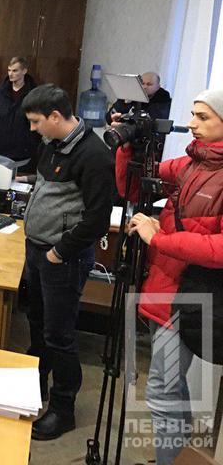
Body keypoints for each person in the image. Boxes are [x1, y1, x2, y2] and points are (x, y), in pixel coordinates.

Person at [119, 89, 223, 465]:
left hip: (190, 298)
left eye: (203, 117)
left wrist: (159, 238)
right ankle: (175, 458)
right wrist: (129, 145)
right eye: (192, 114)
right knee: (170, 390)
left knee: (163, 392)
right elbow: (134, 185)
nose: (191, 123)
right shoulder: (191, 163)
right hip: (163, 288)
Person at [21, 83, 114, 441]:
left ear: (56, 116)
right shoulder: (52, 144)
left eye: (36, 122)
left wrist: (59, 252)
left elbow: (97, 220)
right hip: (38, 250)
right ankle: (37, 387)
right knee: (37, 321)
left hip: (63, 258)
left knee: (58, 335)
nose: (33, 129)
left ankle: (63, 410)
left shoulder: (94, 155)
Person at [0, 56, 39, 171]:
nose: (10, 74)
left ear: (24, 71)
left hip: (23, 150)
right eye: (9, 70)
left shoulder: (34, 93)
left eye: (15, 70)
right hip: (1, 148)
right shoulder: (0, 91)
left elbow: (39, 118)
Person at [105, 71, 172, 125]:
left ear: (158, 86)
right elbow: (109, 118)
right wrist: (125, 104)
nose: (145, 87)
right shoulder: (131, 94)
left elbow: (153, 122)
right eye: (142, 83)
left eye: (149, 84)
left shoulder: (163, 100)